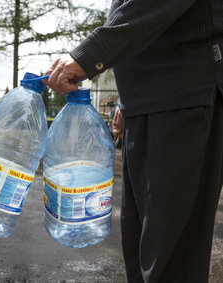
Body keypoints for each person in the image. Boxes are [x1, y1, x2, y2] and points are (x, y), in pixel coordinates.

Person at [44, 0, 222, 282]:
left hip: (184, 94)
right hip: (148, 102)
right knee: (141, 243)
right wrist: (128, 102)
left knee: (171, 252)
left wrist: (89, 55)